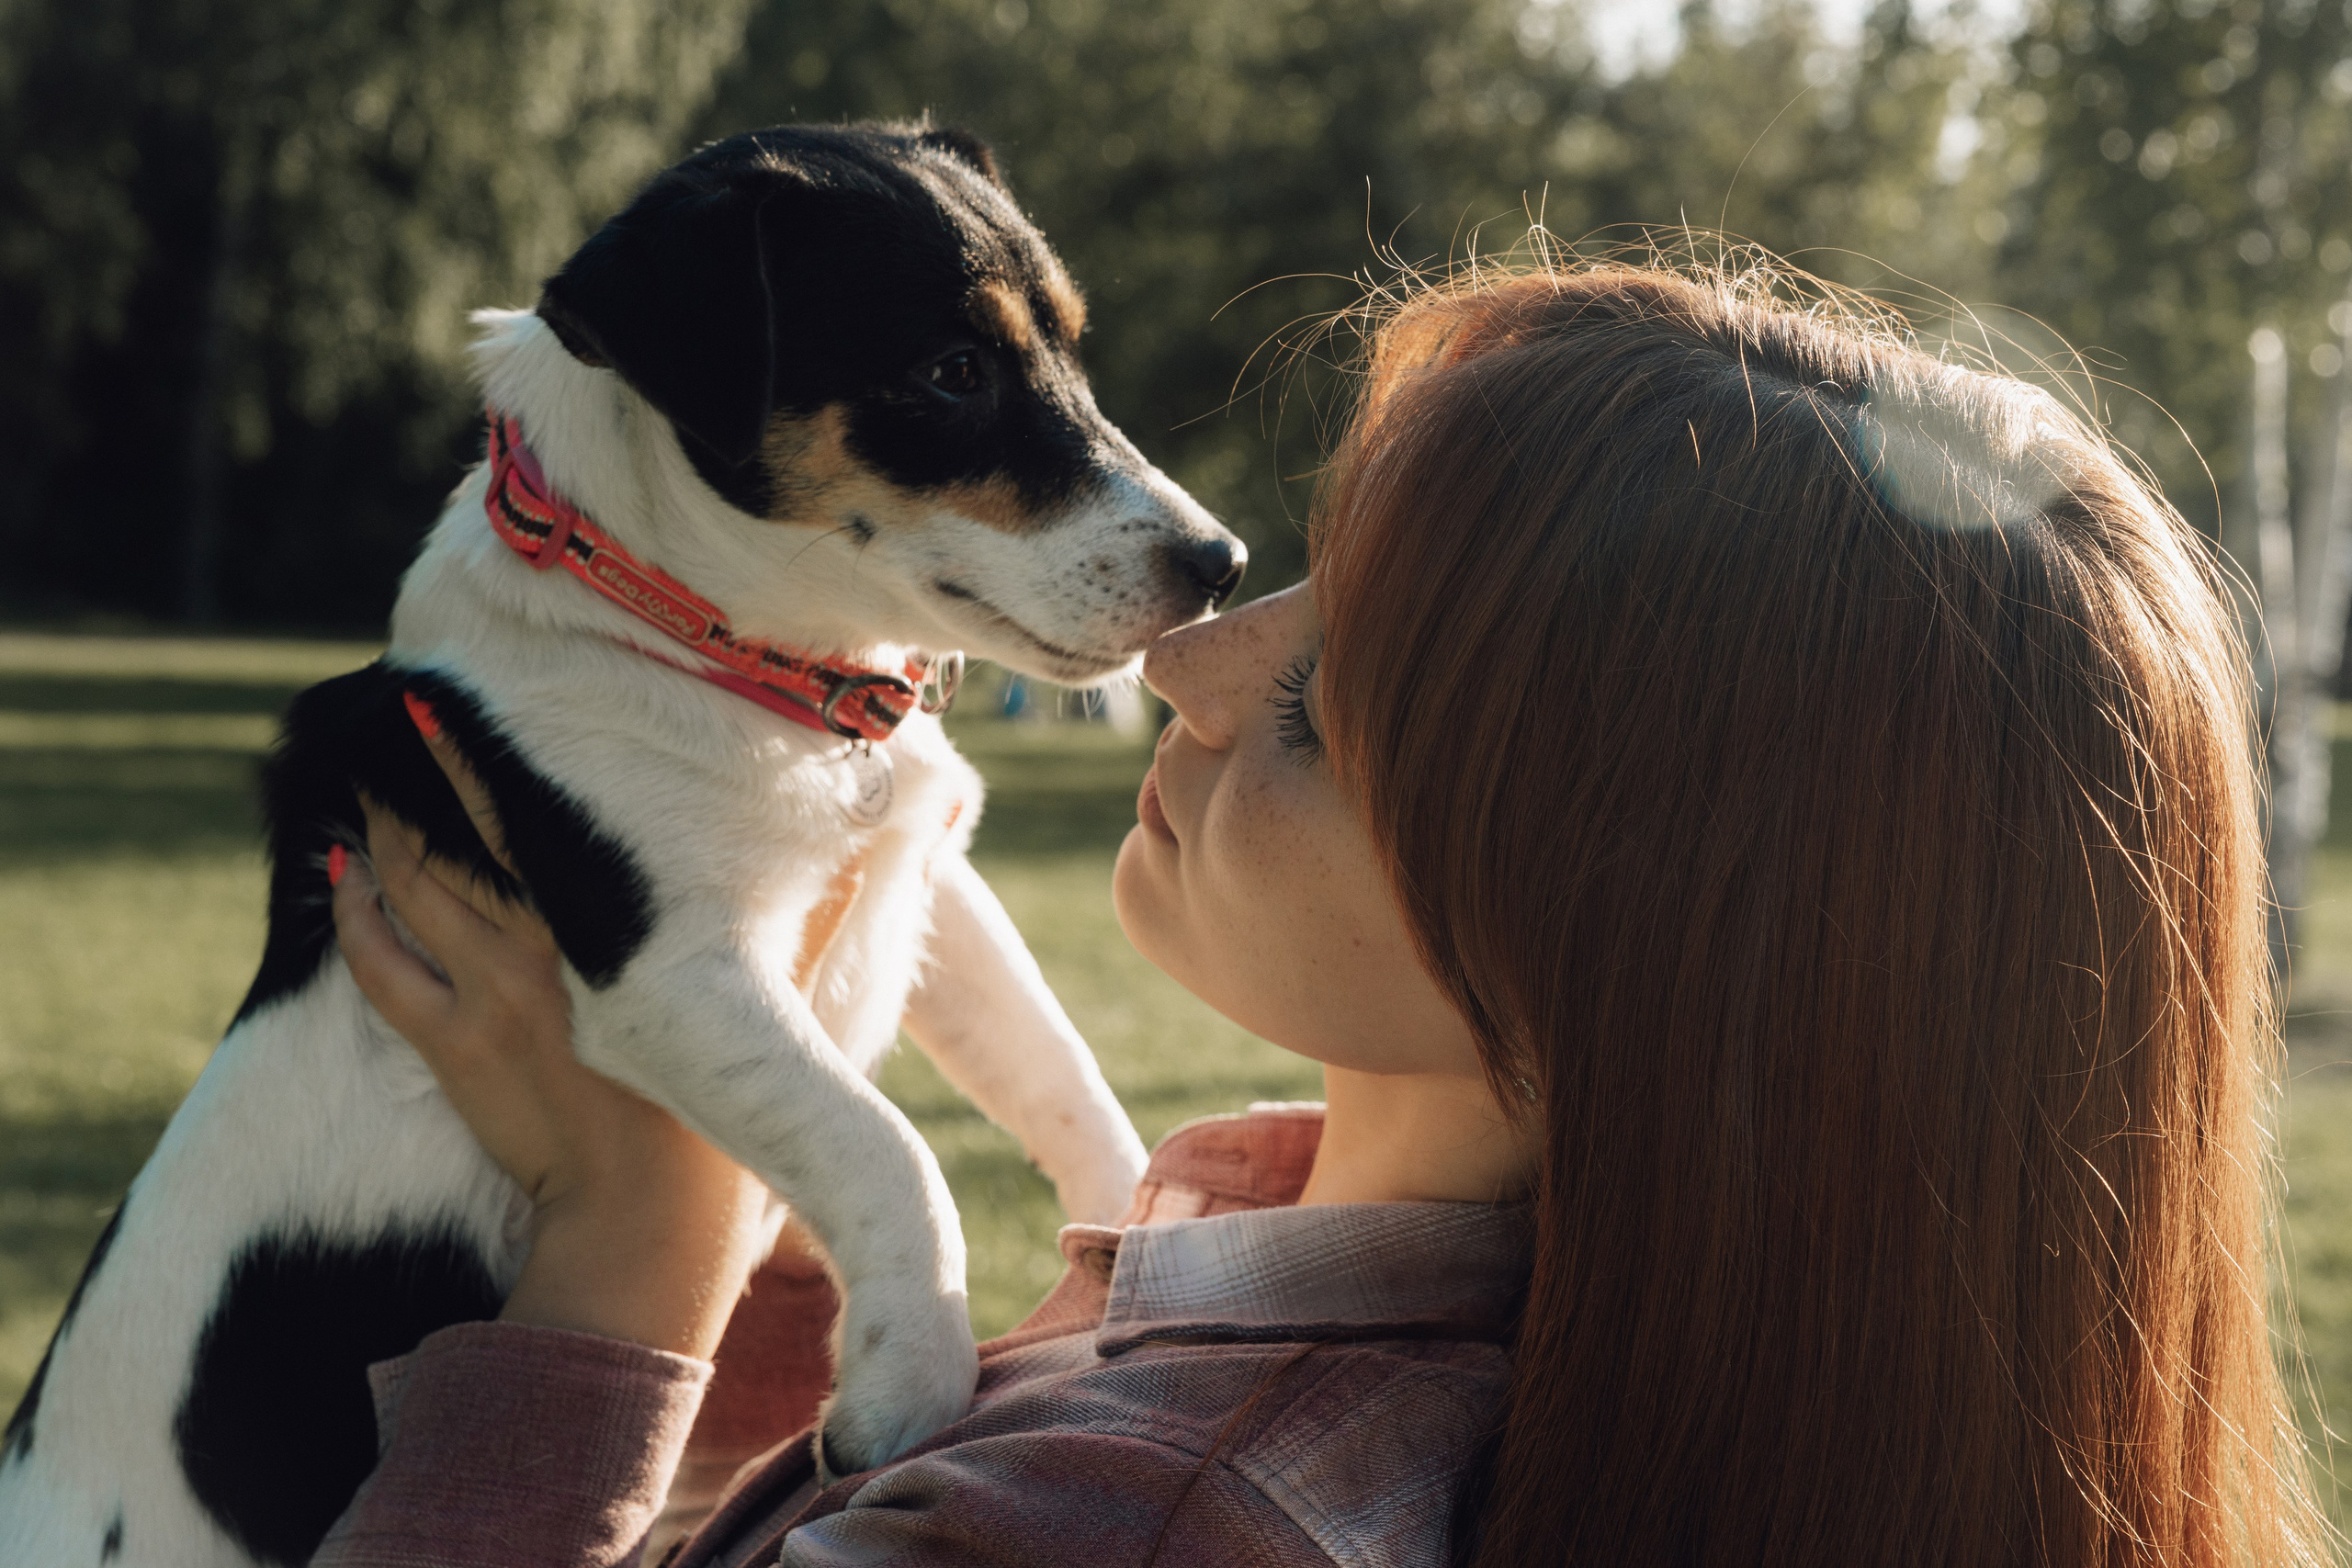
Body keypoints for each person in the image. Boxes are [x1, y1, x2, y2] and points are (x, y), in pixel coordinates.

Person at [319, 261, 2334, 1567]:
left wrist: (619, 1264)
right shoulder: (1383, 1357)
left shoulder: (1132, 1522)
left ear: (1605, 938)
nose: (1192, 662)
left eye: (1315, 690)